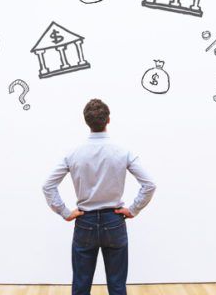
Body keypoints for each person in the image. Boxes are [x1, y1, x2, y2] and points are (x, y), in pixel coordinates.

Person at [42, 99, 157, 295]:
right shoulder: (122, 151)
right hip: (114, 220)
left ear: (86, 121)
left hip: (84, 221)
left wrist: (65, 212)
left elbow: (48, 185)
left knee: (81, 285)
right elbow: (149, 184)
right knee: (117, 285)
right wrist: (133, 209)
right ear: (108, 120)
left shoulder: (73, 153)